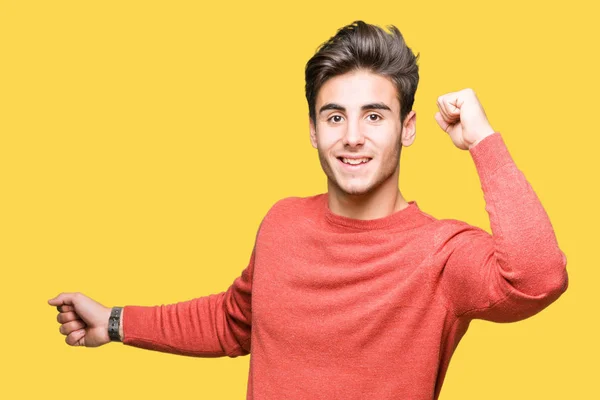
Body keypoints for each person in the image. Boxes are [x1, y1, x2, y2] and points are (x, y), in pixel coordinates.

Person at [48, 20, 568, 399]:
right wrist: (114, 322)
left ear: (407, 128)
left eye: (375, 116)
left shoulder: (444, 255)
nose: (353, 137)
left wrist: (481, 139)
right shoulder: (283, 223)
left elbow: (539, 277)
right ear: (314, 130)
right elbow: (234, 322)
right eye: (335, 116)